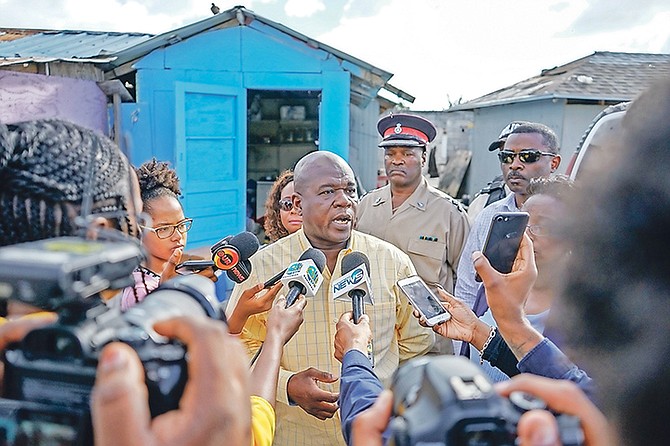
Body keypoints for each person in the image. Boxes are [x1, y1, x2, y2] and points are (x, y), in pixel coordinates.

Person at [226, 151, 433, 446]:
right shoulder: (263, 268)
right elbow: (236, 350)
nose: (344, 200)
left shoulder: (393, 262)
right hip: (293, 436)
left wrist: (380, 395)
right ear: (298, 203)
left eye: (350, 190)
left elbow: (418, 347)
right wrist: (287, 385)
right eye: (327, 192)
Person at [356, 113, 470, 354]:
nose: (397, 161)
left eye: (407, 153)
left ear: (424, 157)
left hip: (428, 341)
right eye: (390, 154)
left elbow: (468, 282)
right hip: (373, 338)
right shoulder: (366, 205)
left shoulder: (447, 212)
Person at [465, 175, 574, 381]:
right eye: (522, 223)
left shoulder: (582, 313)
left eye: (542, 227)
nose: (526, 236)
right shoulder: (492, 286)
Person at [454, 122, 561, 312]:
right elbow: (468, 287)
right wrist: (466, 340)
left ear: (554, 163)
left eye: (528, 157)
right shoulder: (489, 215)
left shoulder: (575, 217)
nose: (515, 165)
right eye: (507, 157)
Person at [466, 121, 529, 219]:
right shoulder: (484, 201)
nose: (514, 164)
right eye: (506, 155)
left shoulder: (557, 202)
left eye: (525, 155)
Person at [263, 169, 302, 243]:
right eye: (286, 203)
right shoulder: (269, 253)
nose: (293, 210)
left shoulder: (329, 252)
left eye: (300, 204)